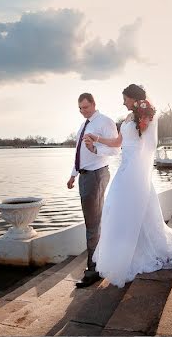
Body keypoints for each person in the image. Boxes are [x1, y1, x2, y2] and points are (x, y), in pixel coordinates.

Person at [84, 84, 172, 287]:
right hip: (125, 167)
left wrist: (139, 170)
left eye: (125, 98)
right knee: (118, 208)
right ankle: (129, 251)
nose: (123, 102)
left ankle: (134, 254)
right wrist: (97, 139)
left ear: (134, 99)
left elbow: (148, 145)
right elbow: (118, 142)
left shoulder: (146, 116)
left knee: (127, 207)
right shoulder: (127, 119)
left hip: (136, 169)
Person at [66, 92, 120, 288]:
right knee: (93, 222)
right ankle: (98, 263)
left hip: (97, 175)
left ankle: (93, 269)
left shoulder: (105, 122)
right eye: (80, 108)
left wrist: (96, 150)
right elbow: (79, 153)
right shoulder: (84, 124)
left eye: (86, 107)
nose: (82, 111)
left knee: (93, 224)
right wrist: (73, 174)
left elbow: (116, 149)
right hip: (84, 176)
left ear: (94, 104)